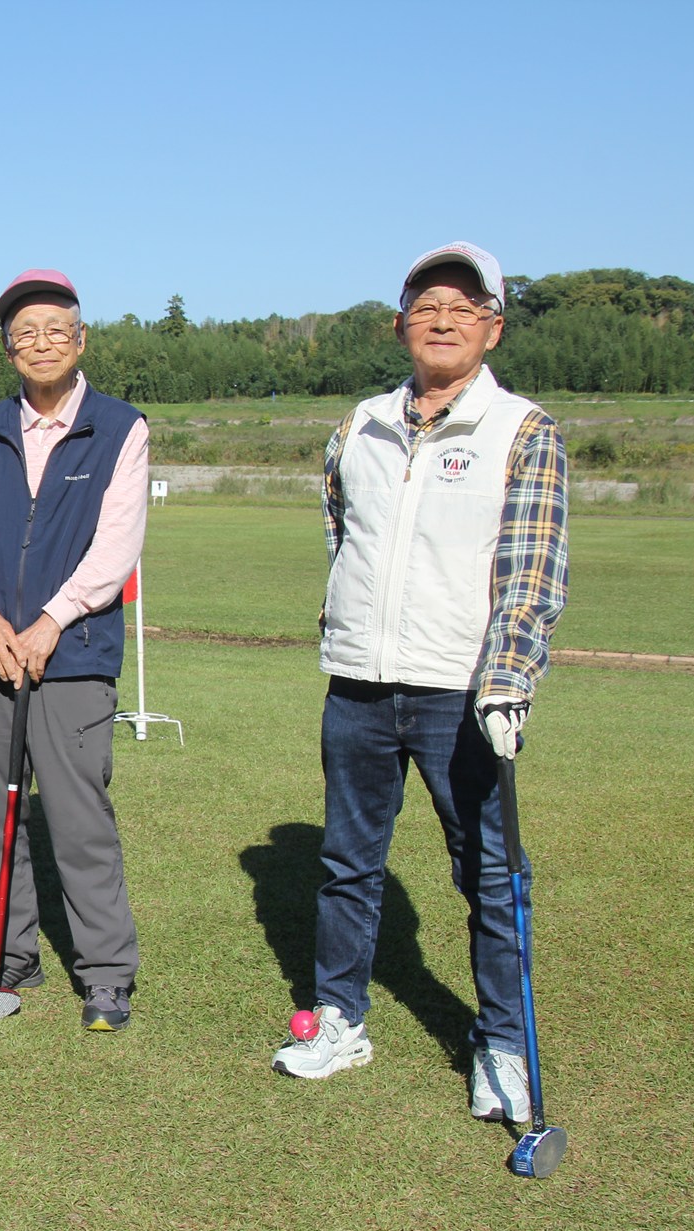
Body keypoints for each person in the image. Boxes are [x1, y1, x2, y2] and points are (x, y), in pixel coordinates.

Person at [272, 242, 570, 1126]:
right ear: (401, 324)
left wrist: (509, 677)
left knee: (489, 875)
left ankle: (503, 1045)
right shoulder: (359, 425)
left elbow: (531, 573)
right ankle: (340, 1019)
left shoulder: (522, 429)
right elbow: (344, 536)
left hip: (463, 691)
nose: (443, 321)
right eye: (427, 306)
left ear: (493, 328)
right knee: (347, 864)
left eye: (463, 307)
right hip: (360, 685)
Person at [0, 270, 149, 1032]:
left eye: (56, 329)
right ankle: (9, 956)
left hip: (74, 655)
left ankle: (106, 974)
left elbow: (116, 548)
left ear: (81, 340)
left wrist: (51, 620)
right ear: (8, 350)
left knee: (78, 817)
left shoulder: (121, 428)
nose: (41, 343)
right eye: (25, 333)